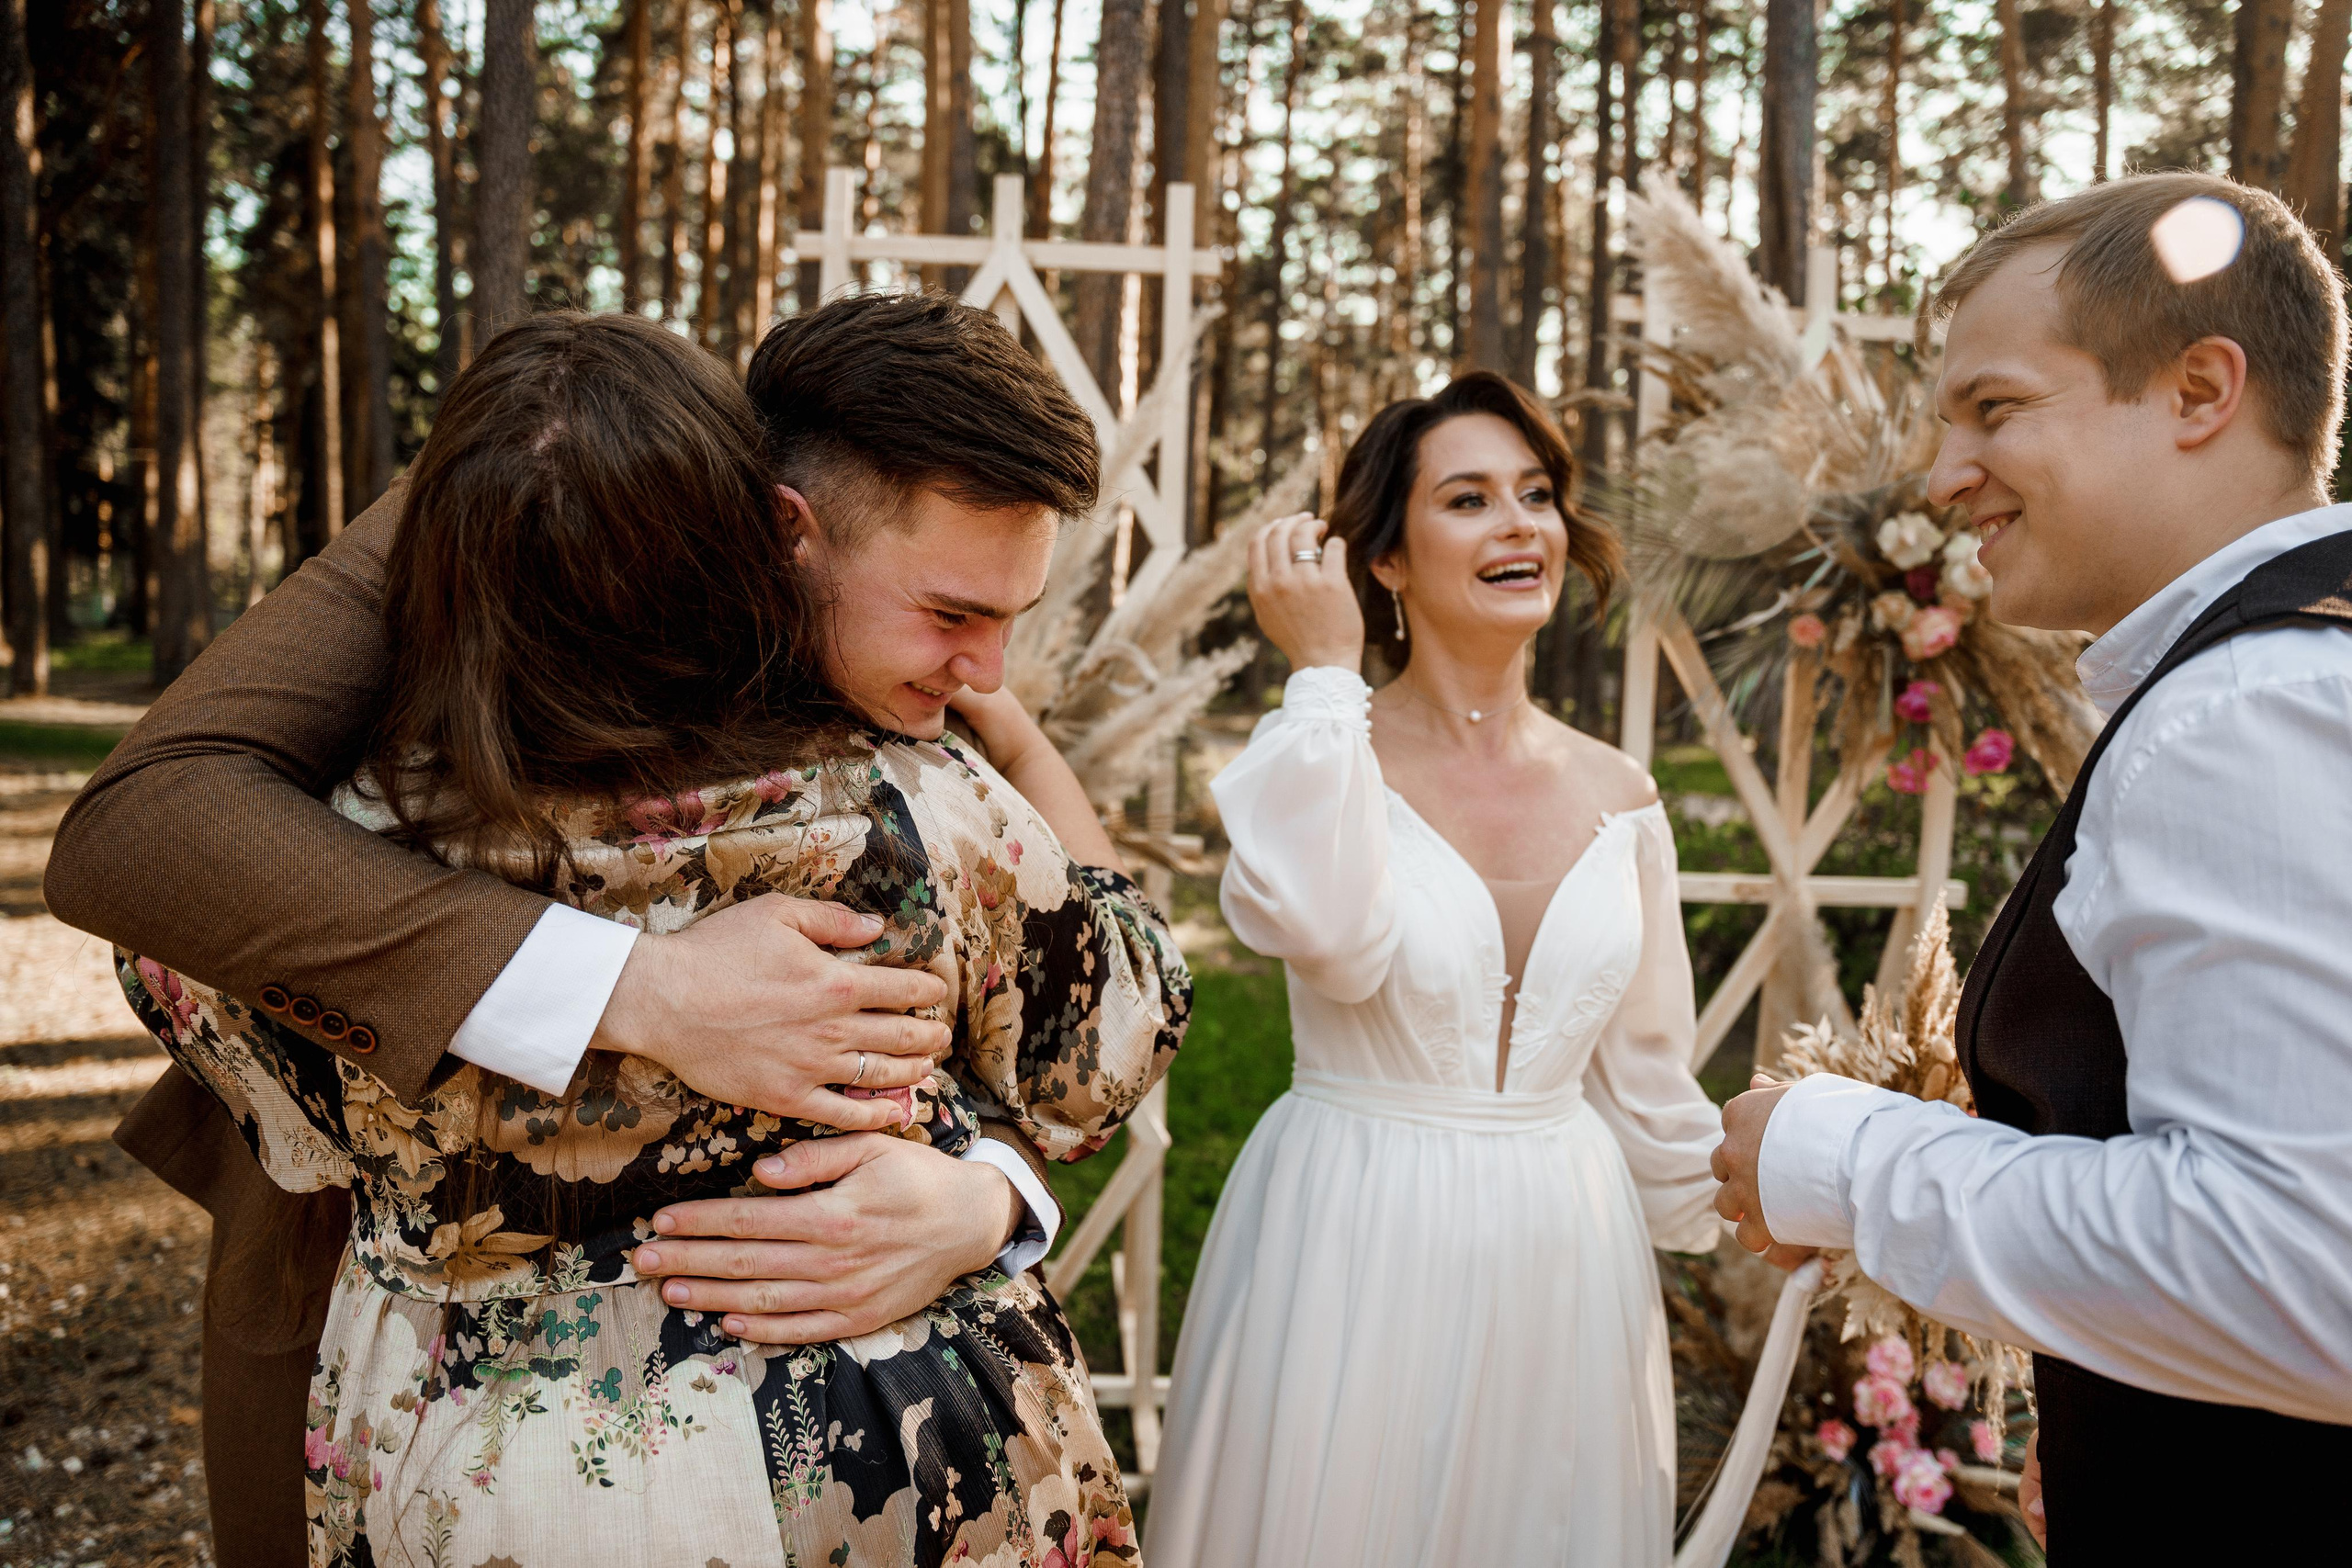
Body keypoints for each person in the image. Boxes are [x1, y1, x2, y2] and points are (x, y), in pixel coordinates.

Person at [42, 294, 1127, 1564]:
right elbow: (149, 841)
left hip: (453, 1448)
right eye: (951, 616)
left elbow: (197, 989)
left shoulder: (363, 824)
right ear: (783, 534)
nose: (988, 672)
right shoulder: (530, 498)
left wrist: (982, 1199)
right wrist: (640, 988)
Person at [1709, 171, 2352, 1559]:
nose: (1941, 478)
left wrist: (1853, 1158)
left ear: (2200, 391)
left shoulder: (2241, 716)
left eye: (1994, 410)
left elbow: (2303, 1264)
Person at [1145, 373, 1729, 1567]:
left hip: (1566, 1247)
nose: (1522, 525)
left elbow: (1651, 1077)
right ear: (1390, 563)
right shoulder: (1318, 752)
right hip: (1353, 1224)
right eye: (1469, 499)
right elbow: (1331, 938)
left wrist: (1781, 1200)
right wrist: (1321, 673)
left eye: (1537, 495)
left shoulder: (1624, 795)